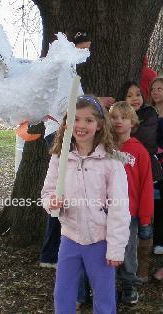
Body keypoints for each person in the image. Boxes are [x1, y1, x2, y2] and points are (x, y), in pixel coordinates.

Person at [41, 95, 130, 314]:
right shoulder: (59, 158)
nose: (81, 125)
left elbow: (120, 208)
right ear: (67, 123)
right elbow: (48, 193)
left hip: (100, 240)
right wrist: (53, 203)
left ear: (99, 124)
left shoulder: (111, 161)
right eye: (76, 119)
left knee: (104, 296)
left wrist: (116, 248)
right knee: (63, 294)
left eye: (89, 120)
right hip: (70, 237)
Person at [40, 28, 114, 269]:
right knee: (62, 191)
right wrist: (93, 104)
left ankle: (60, 250)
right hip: (61, 133)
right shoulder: (62, 69)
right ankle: (52, 252)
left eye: (88, 48)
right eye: (83, 48)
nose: (87, 53)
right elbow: (64, 105)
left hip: (68, 130)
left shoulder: (69, 69)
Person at [116, 81, 163, 282]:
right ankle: (124, 271)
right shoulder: (120, 120)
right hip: (125, 179)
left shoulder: (150, 114)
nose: (135, 98)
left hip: (149, 175)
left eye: (138, 94)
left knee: (145, 225)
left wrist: (125, 129)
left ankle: (141, 270)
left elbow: (145, 138)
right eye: (129, 95)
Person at [109, 101, 154, 304]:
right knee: (105, 249)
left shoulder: (139, 152)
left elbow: (146, 187)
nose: (118, 121)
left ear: (132, 122)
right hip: (105, 210)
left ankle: (129, 286)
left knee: (127, 250)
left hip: (130, 213)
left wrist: (145, 218)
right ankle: (106, 285)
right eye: (114, 117)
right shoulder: (103, 148)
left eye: (123, 117)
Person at [148, 77, 163, 255]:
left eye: (160, 88)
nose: (156, 92)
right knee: (153, 201)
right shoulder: (148, 113)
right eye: (153, 89)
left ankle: (159, 241)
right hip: (151, 163)